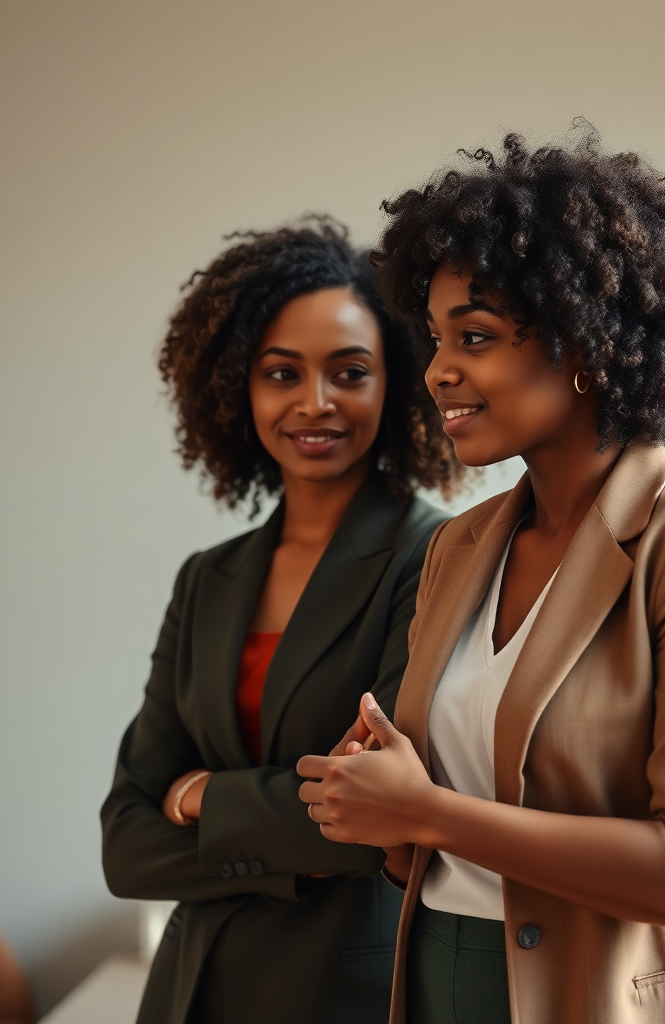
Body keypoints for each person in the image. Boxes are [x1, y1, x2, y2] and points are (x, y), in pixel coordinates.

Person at [297, 128, 665, 1024]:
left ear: (583, 346)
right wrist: (376, 803)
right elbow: (428, 839)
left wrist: (430, 814)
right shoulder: (459, 547)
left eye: (476, 336)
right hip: (440, 986)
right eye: (437, 337)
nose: (439, 369)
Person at [101, 218, 460, 1024]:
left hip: (340, 995)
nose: (314, 402)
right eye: (280, 372)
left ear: (395, 383)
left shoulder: (436, 557)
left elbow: (379, 821)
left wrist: (196, 797)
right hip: (189, 994)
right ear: (239, 387)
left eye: (349, 371)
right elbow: (124, 845)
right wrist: (289, 832)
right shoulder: (207, 580)